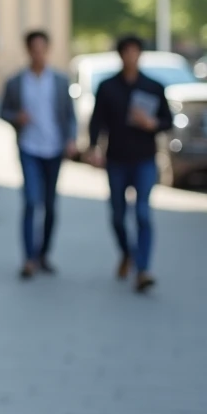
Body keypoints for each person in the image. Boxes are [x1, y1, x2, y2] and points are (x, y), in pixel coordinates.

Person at [85, 34, 172, 293]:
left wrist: (152, 123)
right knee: (118, 215)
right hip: (117, 159)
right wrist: (92, 147)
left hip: (144, 158)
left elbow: (167, 120)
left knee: (143, 213)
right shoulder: (108, 87)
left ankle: (143, 268)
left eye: (135, 51)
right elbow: (97, 120)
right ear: (121, 55)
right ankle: (127, 252)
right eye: (127, 51)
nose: (131, 56)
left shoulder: (153, 86)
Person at [0, 29, 78, 279]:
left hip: (54, 148)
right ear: (28, 51)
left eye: (42, 48)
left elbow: (69, 114)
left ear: (47, 50)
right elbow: (3, 111)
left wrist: (71, 140)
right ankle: (28, 258)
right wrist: (16, 118)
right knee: (31, 201)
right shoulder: (16, 81)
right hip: (29, 148)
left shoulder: (59, 81)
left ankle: (44, 254)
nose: (38, 53)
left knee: (50, 205)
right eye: (34, 49)